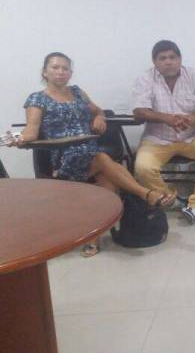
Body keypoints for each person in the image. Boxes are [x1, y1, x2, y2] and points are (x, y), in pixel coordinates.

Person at [15, 52, 174, 256]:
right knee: (100, 159)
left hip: (89, 150)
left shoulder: (77, 93)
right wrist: (18, 139)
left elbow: (98, 111)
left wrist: (99, 117)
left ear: (70, 73)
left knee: (105, 175)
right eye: (55, 67)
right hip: (64, 158)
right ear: (45, 72)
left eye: (65, 68)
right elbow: (31, 131)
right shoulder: (37, 98)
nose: (60, 72)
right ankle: (146, 194)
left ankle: (93, 237)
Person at [132, 40, 195, 224]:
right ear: (155, 62)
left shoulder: (194, 76)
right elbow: (139, 110)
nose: (168, 62)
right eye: (163, 58)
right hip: (157, 139)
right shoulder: (145, 78)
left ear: (180, 59)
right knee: (143, 168)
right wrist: (168, 118)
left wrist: (194, 118)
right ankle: (173, 199)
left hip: (191, 137)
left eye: (172, 57)